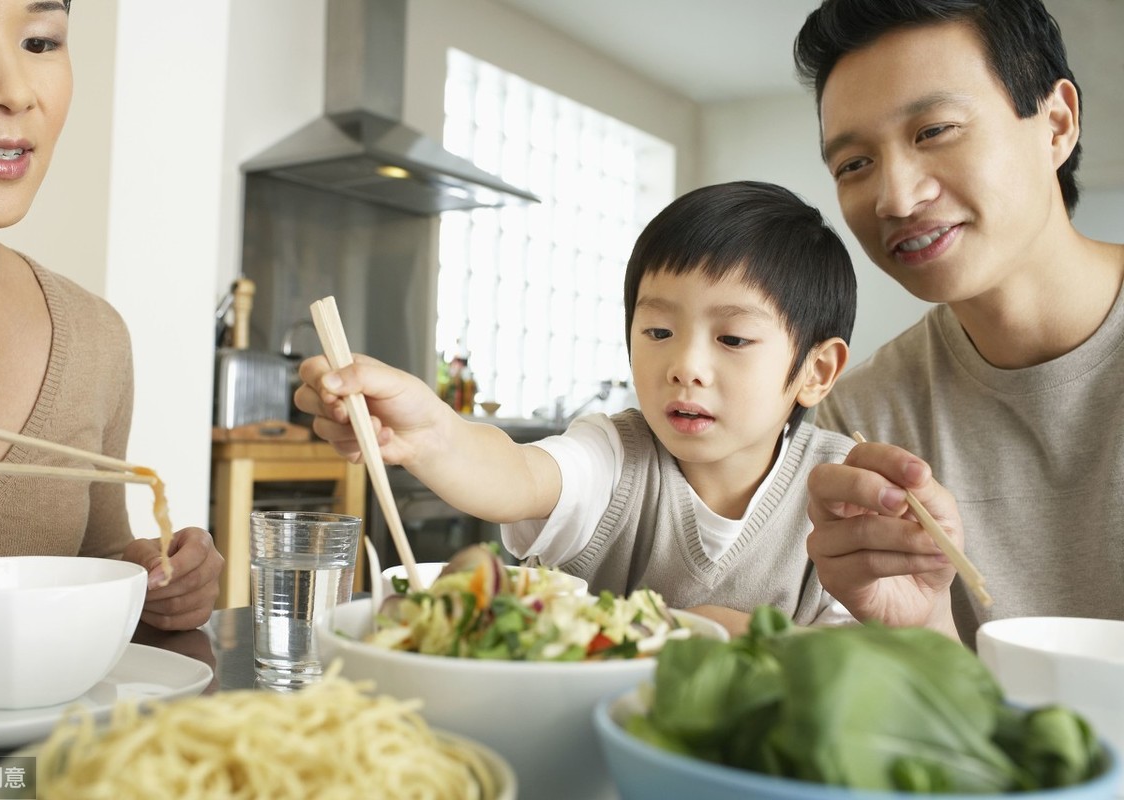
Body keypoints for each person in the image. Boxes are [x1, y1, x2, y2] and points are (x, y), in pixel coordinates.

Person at [297, 180, 859, 634]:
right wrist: (431, 434)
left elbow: (866, 657)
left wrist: (739, 632)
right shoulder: (615, 455)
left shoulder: (842, 489)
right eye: (659, 330)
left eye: (732, 339)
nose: (685, 365)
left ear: (816, 370)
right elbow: (517, 474)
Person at [793, 0, 1124, 644]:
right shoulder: (866, 425)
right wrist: (926, 629)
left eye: (934, 130)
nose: (896, 197)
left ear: (1055, 123)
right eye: (855, 164)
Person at [0, 0, 222, 630]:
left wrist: (150, 582)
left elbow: (94, 558)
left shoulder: (93, 338)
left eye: (40, 41)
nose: (12, 91)